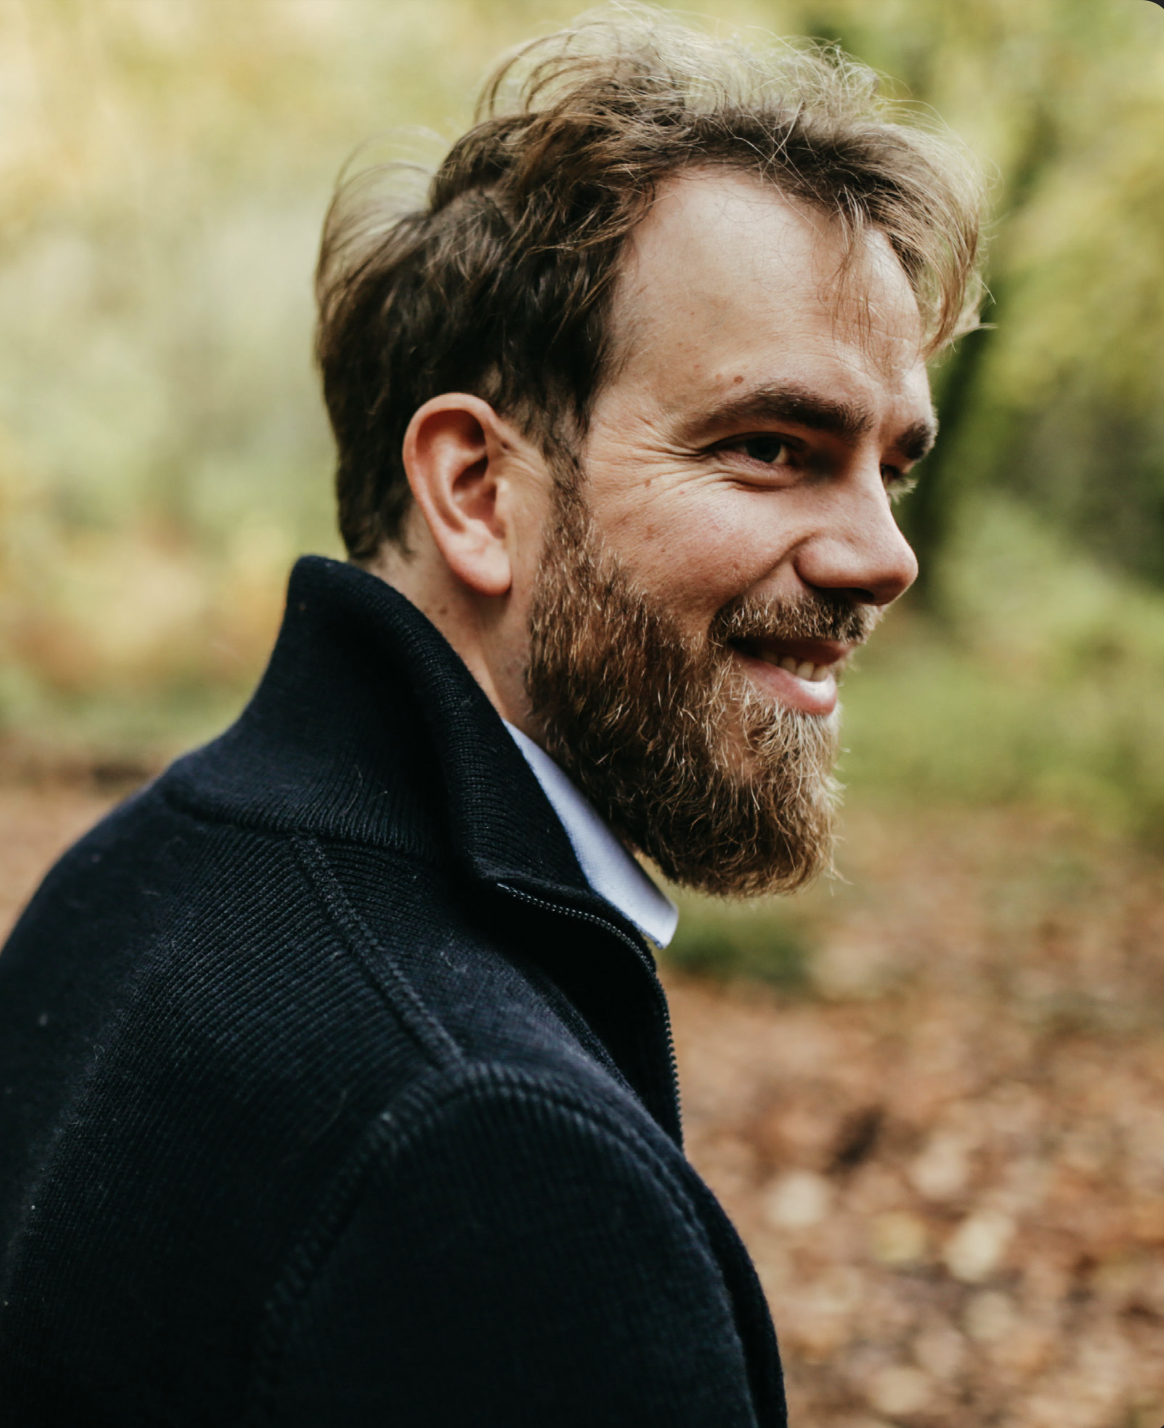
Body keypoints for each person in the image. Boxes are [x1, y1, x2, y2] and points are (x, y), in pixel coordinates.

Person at [0, 9, 983, 1425]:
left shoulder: (131, 870)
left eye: (893, 465)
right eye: (775, 447)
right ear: (473, 488)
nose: (884, 554)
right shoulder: (494, 1158)